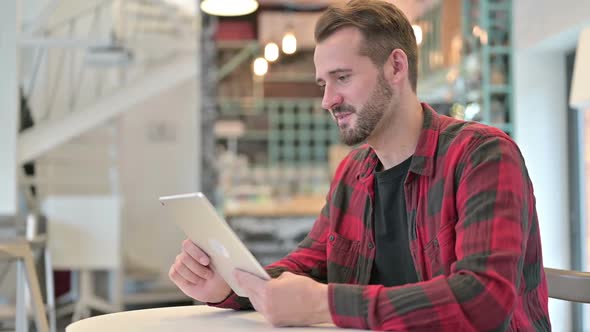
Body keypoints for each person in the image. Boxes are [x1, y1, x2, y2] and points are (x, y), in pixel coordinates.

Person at [169, 0, 550, 330]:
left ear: (395, 67)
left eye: (342, 78)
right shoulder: (354, 173)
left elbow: (484, 301)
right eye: (323, 84)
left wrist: (324, 304)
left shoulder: (482, 155)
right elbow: (310, 264)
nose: (327, 100)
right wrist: (229, 287)